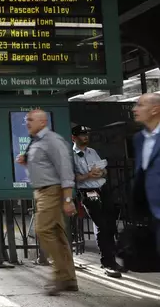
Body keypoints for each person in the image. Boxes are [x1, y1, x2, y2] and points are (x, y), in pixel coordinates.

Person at [16, 109, 77, 295]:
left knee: (42, 229)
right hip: (43, 191)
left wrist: (68, 199)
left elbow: (66, 171)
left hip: (51, 191)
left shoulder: (52, 140)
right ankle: (69, 279)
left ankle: (59, 275)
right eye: (27, 120)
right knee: (58, 234)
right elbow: (45, 166)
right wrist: (27, 162)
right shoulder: (37, 141)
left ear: (42, 122)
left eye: (31, 120)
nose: (27, 123)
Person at [72, 125, 126, 278]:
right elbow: (72, 177)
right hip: (88, 192)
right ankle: (108, 262)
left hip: (102, 189)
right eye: (82, 135)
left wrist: (101, 172)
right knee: (101, 224)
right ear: (74, 137)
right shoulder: (72, 155)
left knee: (110, 224)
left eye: (86, 134)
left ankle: (112, 259)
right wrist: (88, 175)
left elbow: (105, 170)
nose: (85, 137)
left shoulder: (93, 152)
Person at [132, 93, 160, 257]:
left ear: (155, 110)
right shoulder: (139, 139)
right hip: (152, 213)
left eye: (140, 105)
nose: (135, 109)